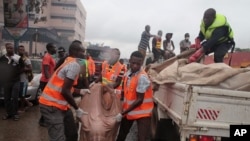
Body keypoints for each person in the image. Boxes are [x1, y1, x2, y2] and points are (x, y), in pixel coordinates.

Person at [39, 40, 90, 141]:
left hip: (62, 106)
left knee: (72, 134)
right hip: (51, 106)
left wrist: (80, 91)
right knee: (58, 138)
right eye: (82, 51)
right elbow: (65, 91)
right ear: (76, 51)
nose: (84, 54)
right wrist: (77, 109)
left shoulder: (69, 61)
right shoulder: (74, 65)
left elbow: (65, 87)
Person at [115, 51, 154, 141]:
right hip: (129, 111)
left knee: (142, 138)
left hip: (143, 113)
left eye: (138, 63)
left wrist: (123, 113)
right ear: (129, 61)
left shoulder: (142, 77)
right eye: (133, 63)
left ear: (142, 63)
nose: (135, 66)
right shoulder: (128, 74)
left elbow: (140, 100)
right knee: (121, 135)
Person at [0, 43, 25, 121]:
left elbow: (23, 68)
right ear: (6, 49)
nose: (10, 49)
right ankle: (8, 113)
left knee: (15, 98)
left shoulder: (18, 58)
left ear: (13, 49)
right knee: (6, 98)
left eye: (11, 48)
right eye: (8, 48)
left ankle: (15, 114)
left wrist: (15, 72)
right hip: (6, 82)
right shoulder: (2, 58)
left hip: (15, 81)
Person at [39, 43, 57, 126]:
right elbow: (46, 70)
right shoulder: (47, 56)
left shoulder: (49, 56)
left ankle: (43, 119)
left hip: (48, 81)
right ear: (50, 48)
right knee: (47, 102)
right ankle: (42, 121)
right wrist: (50, 82)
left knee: (48, 101)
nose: (56, 49)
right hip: (45, 82)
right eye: (54, 47)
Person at [17, 45, 33, 113]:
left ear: (24, 51)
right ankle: (28, 103)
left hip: (24, 80)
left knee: (22, 95)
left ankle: (22, 108)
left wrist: (22, 69)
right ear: (18, 50)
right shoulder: (16, 58)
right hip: (17, 80)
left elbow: (30, 68)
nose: (21, 51)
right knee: (19, 94)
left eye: (22, 50)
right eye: (20, 49)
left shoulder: (26, 59)